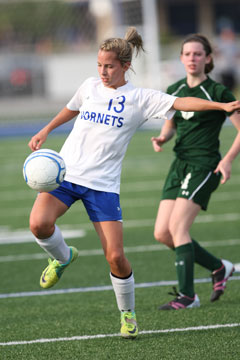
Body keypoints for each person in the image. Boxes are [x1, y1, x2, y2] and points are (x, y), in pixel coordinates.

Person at [28, 28, 240, 337]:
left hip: (103, 185)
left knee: (115, 257)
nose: (103, 71)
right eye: (100, 65)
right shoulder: (90, 87)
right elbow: (71, 109)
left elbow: (182, 103)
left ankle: (128, 315)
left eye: (110, 66)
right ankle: (63, 258)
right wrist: (46, 130)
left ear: (125, 66)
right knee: (38, 224)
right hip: (67, 174)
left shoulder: (141, 98)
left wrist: (222, 107)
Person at [151, 34, 240, 310]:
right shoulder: (174, 88)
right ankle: (219, 268)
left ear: (208, 59)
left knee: (179, 228)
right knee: (162, 233)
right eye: (187, 54)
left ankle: (188, 296)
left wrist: (227, 161)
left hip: (204, 165)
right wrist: (164, 138)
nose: (192, 58)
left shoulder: (218, 92)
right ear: (180, 58)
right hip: (180, 165)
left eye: (198, 54)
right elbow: (173, 121)